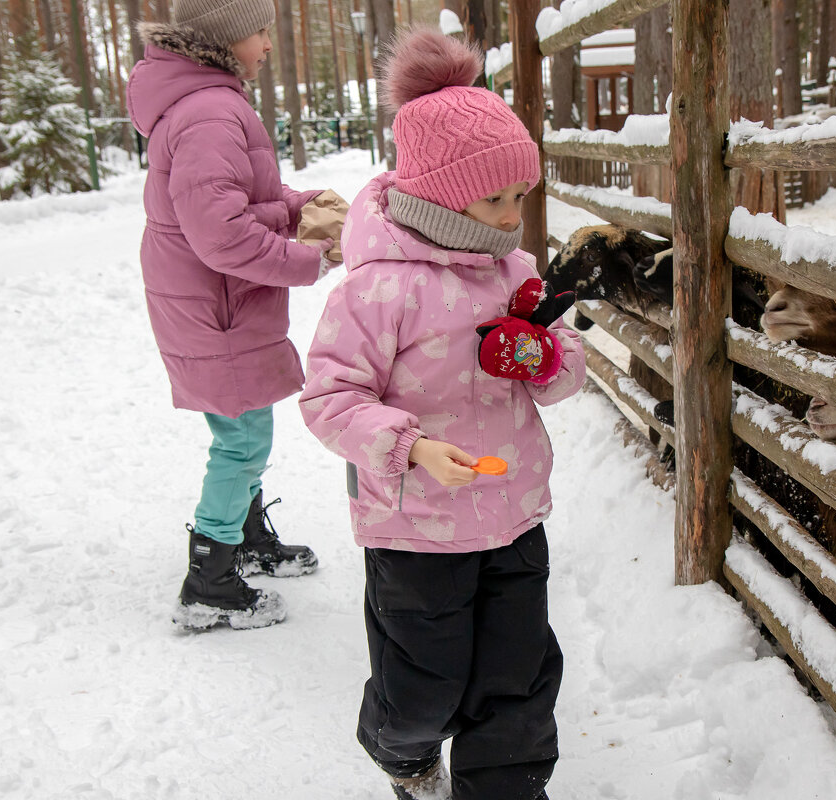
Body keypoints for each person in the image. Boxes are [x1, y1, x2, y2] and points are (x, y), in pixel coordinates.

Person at [298, 27, 586, 800]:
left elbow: (566, 372)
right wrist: (410, 445)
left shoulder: (514, 272)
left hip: (514, 509)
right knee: (424, 685)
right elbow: (328, 399)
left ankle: (507, 786)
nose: (509, 215)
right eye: (494, 198)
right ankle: (402, 750)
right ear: (437, 193)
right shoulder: (376, 289)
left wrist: (544, 357)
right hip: (416, 525)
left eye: (519, 196)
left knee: (518, 677)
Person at [126, 0, 347, 631]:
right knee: (243, 438)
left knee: (243, 430)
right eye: (258, 33)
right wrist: (306, 259)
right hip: (215, 305)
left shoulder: (209, 103)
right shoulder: (210, 113)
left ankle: (244, 540)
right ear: (223, 41)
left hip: (216, 301)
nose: (267, 46)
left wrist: (301, 205)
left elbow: (239, 197)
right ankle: (211, 579)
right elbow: (220, 234)